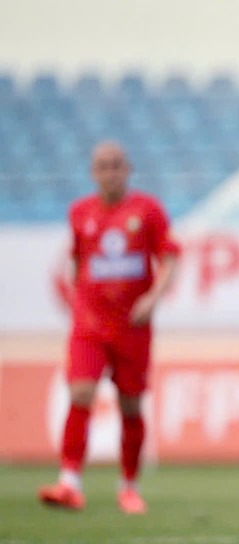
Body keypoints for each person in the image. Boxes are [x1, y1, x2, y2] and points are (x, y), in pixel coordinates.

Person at [38, 141, 181, 514]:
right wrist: (79, 303)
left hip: (133, 326)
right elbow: (75, 264)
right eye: (103, 166)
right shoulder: (79, 213)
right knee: (81, 393)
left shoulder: (147, 211)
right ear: (93, 172)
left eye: (117, 165)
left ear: (128, 169)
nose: (111, 171)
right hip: (89, 326)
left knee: (130, 405)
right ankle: (69, 482)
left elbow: (169, 257)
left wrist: (151, 299)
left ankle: (128, 487)